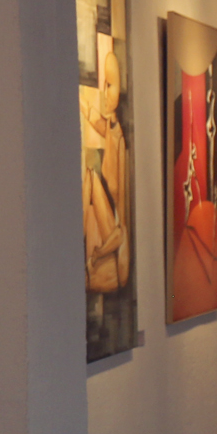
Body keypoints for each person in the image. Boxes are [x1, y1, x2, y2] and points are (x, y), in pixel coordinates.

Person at [81, 36, 130, 294]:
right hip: (109, 227)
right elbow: (92, 116)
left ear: (118, 92)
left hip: (117, 244)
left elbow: (121, 233)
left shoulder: (119, 143)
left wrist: (99, 253)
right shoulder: (112, 130)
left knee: (91, 178)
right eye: (104, 84)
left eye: (109, 85)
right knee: (90, 176)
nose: (105, 91)